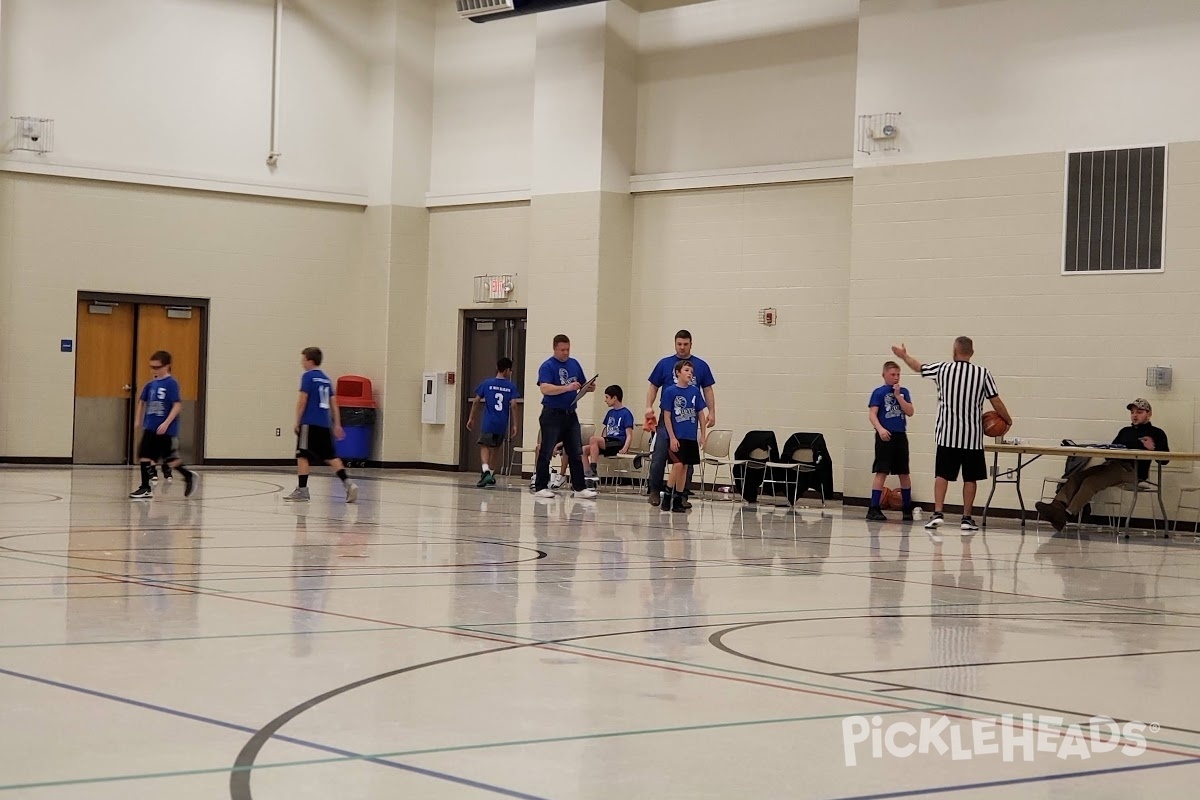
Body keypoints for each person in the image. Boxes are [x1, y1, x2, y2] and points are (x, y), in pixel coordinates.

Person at [891, 337, 1011, 533]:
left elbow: (919, 367)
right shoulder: (982, 373)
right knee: (970, 478)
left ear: (954, 351)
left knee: (942, 475)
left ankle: (938, 514)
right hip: (971, 437)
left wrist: (904, 356)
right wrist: (1008, 419)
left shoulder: (943, 369)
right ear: (971, 353)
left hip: (947, 434)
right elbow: (995, 401)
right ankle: (966, 518)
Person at [1035, 399, 1169, 532]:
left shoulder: (1157, 433)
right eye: (1132, 412)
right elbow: (1110, 452)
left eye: (1139, 412)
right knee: (1077, 476)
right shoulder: (1125, 431)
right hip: (1113, 465)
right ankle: (1057, 506)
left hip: (1132, 471)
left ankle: (1067, 514)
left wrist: (1153, 450)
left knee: (1091, 482)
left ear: (1149, 414)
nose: (1135, 415)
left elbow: (1165, 460)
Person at [645, 330, 717, 507]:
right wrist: (649, 406)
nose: (682, 347)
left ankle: (682, 494)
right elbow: (653, 386)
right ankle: (655, 490)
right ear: (675, 344)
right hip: (668, 417)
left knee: (687, 459)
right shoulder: (664, 364)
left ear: (691, 344)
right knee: (660, 453)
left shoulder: (701, 366)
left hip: (688, 420)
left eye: (685, 344)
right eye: (679, 344)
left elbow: (707, 390)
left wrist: (712, 411)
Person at [284, 347, 358, 503]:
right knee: (330, 456)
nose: (301, 363)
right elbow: (334, 403)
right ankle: (348, 483)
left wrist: (298, 421)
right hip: (325, 424)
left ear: (310, 361)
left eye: (303, 359)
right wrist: (337, 424)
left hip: (309, 423)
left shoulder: (308, 377)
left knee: (302, 455)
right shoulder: (326, 379)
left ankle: (302, 490)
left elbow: (302, 400)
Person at [532, 334, 597, 499]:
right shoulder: (547, 366)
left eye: (568, 349)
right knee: (546, 450)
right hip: (552, 413)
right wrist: (566, 388)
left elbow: (581, 383)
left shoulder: (574, 364)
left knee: (575, 451)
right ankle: (540, 486)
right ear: (555, 348)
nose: (566, 353)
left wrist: (588, 387)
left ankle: (579, 487)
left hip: (570, 414)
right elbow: (545, 388)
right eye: (562, 350)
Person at [128, 350, 197, 499]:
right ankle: (145, 487)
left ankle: (188, 475)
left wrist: (166, 422)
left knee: (170, 459)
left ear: (167, 366)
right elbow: (142, 401)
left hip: (165, 429)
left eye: (157, 367)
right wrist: (138, 419)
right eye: (152, 367)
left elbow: (177, 405)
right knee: (144, 455)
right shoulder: (151, 384)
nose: (154, 370)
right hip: (151, 426)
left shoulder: (171, 383)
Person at [867, 360, 915, 521]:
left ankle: (907, 507)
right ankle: (873, 508)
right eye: (892, 374)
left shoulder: (904, 391)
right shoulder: (878, 393)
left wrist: (898, 396)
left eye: (898, 374)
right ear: (884, 375)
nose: (896, 378)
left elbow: (910, 412)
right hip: (885, 436)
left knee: (904, 472)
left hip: (900, 435)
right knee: (882, 471)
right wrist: (880, 429)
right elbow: (872, 414)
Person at [660, 361, 709, 512]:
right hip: (677, 436)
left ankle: (679, 499)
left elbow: (701, 413)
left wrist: (703, 434)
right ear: (678, 372)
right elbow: (667, 416)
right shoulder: (670, 391)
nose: (690, 374)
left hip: (690, 436)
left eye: (691, 371)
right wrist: (672, 437)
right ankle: (667, 494)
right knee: (678, 464)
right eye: (687, 370)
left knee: (685, 466)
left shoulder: (694, 391)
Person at [466, 357, 520, 488]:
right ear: (507, 370)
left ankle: (485, 471)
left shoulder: (487, 383)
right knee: (496, 449)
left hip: (489, 421)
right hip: (502, 423)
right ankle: (490, 474)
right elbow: (513, 405)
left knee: (484, 445)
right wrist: (515, 424)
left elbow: (476, 401)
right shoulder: (510, 386)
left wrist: (471, 418)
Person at [582, 385, 635, 488]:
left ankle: (593, 470)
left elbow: (629, 434)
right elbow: (606, 430)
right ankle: (587, 477)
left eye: (607, 397)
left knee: (593, 439)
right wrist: (600, 442)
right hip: (608, 442)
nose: (605, 400)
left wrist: (625, 448)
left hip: (618, 442)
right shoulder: (610, 413)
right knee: (583, 450)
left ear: (614, 398)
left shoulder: (626, 413)